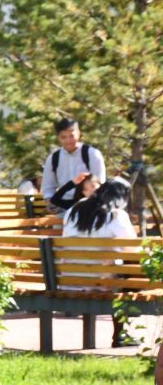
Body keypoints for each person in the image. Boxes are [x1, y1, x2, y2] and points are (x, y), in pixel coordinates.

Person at [63, 177, 139, 347]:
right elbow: (132, 249)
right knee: (130, 272)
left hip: (70, 278)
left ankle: (121, 334)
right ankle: (120, 334)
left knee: (118, 270)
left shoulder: (75, 209)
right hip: (101, 281)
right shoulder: (116, 214)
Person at [41, 117, 106, 210]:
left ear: (78, 134)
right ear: (58, 138)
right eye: (63, 137)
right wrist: (50, 203)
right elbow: (48, 187)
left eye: (71, 136)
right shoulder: (53, 158)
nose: (68, 141)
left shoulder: (92, 154)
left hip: (88, 206)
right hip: (62, 207)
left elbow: (100, 183)